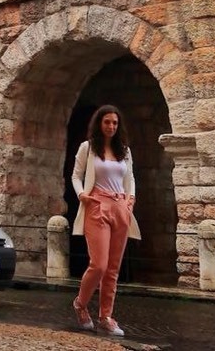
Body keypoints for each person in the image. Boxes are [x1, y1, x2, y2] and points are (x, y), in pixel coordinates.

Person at [70, 104, 140, 337]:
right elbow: (76, 175)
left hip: (120, 207)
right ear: (99, 123)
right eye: (107, 122)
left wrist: (130, 199)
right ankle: (80, 304)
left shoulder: (124, 150)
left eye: (115, 123)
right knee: (98, 264)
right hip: (97, 205)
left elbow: (130, 178)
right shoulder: (88, 148)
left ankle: (105, 317)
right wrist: (82, 195)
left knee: (112, 269)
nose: (111, 126)